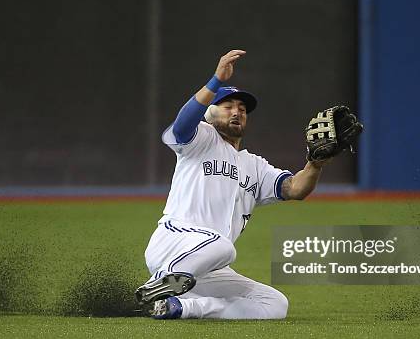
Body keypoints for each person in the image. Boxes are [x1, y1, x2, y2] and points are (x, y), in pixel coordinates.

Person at [135, 49, 330, 319]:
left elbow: (295, 189)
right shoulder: (200, 139)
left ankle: (179, 307)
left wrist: (315, 163)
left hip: (208, 267)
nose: (236, 112)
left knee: (274, 303)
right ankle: (158, 283)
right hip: (176, 242)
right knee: (224, 246)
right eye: (228, 107)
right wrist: (215, 80)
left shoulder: (255, 165)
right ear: (209, 114)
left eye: (242, 108)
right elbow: (182, 125)